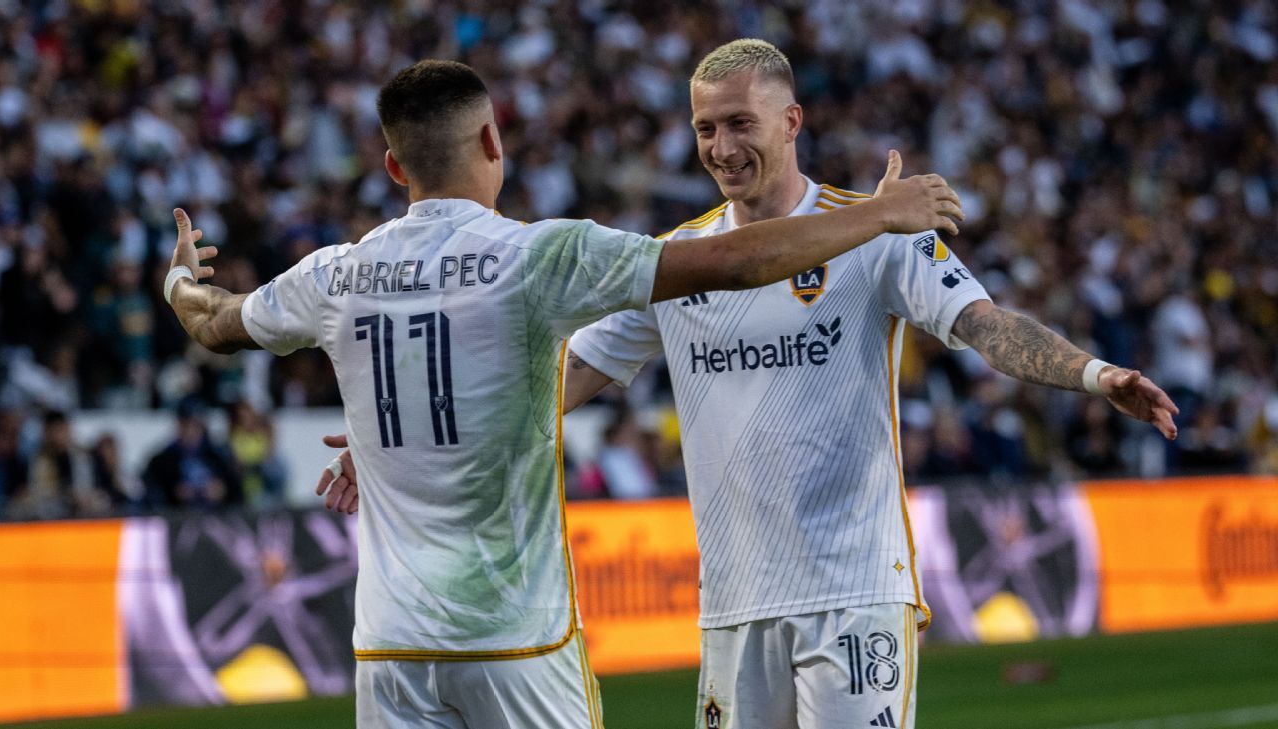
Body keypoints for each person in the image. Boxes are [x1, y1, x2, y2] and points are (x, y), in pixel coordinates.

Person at [322, 41, 1180, 729]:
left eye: (740, 123)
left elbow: (985, 326)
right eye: (705, 129)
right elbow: (558, 378)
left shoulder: (876, 232)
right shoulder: (679, 261)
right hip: (733, 607)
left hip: (854, 595)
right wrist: (394, 444)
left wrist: (1093, 372)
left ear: (792, 120)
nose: (722, 148)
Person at [167, 59, 963, 729]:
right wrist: (877, 216)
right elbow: (735, 262)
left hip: (390, 649)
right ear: (493, 141)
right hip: (519, 639)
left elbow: (212, 321)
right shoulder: (538, 256)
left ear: (394, 167)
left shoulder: (334, 273)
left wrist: (177, 279)